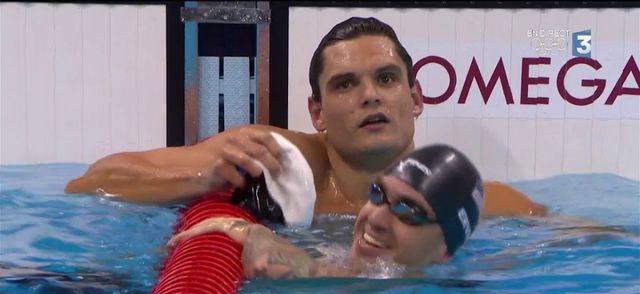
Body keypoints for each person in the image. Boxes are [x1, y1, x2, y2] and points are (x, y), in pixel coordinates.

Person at [64, 17, 547, 218]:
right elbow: (92, 183)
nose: (370, 97)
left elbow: (584, 241)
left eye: (386, 78)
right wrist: (204, 177)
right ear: (316, 112)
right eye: (345, 84)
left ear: (415, 97)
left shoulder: (465, 199)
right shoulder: (272, 158)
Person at [167, 144, 484, 279]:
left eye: (408, 211)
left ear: (446, 248)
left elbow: (267, 264)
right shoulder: (361, 269)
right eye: (378, 194)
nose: (375, 218)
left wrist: (251, 231)